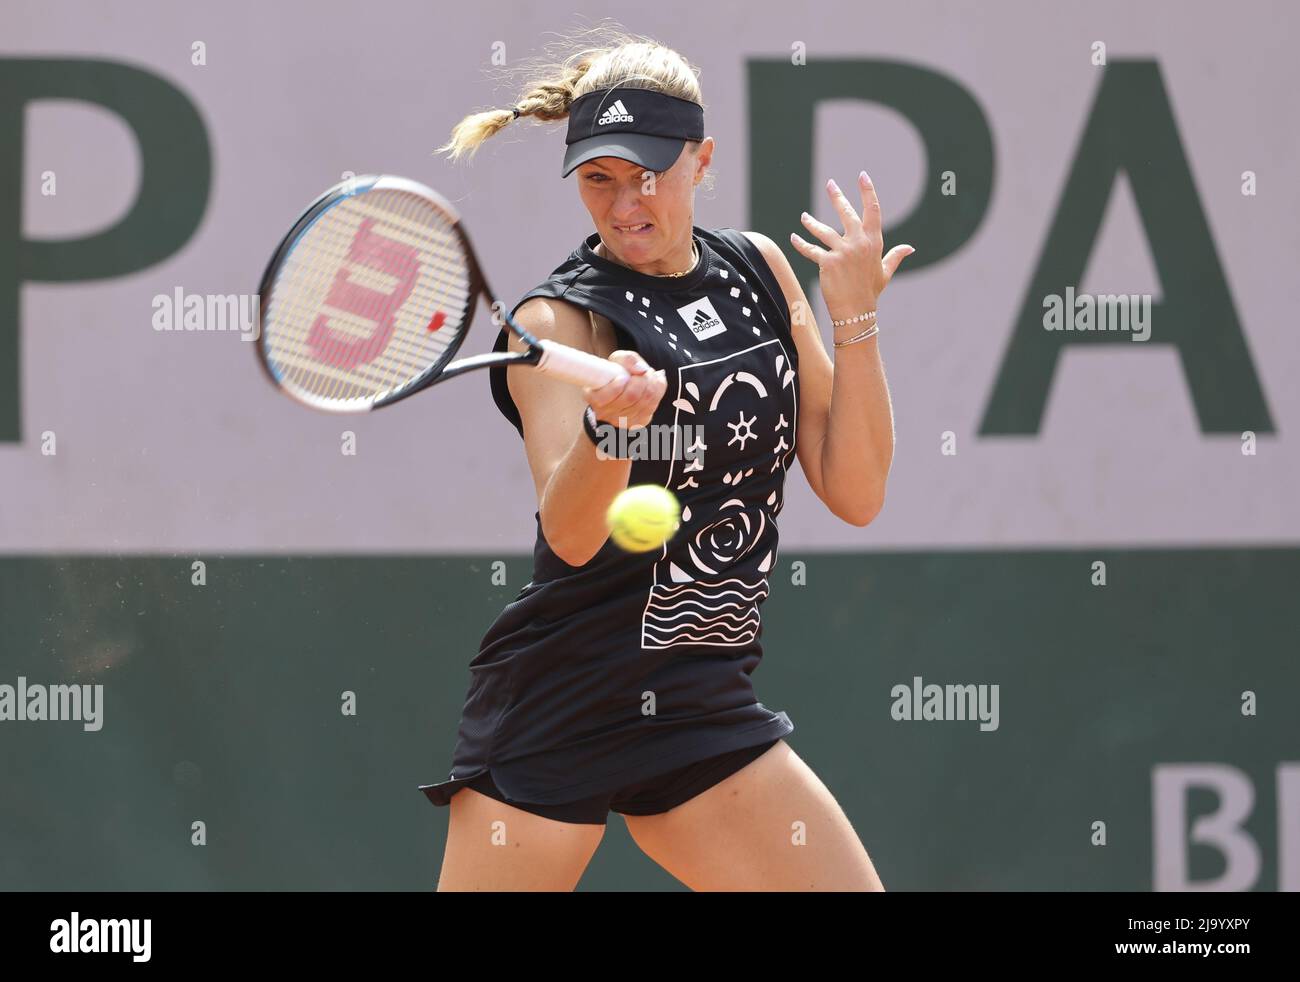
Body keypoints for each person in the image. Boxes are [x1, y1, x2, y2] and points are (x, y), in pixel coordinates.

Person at [422, 27, 912, 891]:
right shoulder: (554, 326)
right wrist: (612, 431)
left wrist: (856, 320)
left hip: (699, 701)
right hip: (561, 703)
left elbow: (857, 490)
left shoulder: (759, 271)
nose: (624, 205)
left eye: (649, 173)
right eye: (599, 179)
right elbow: (570, 536)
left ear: (701, 159)